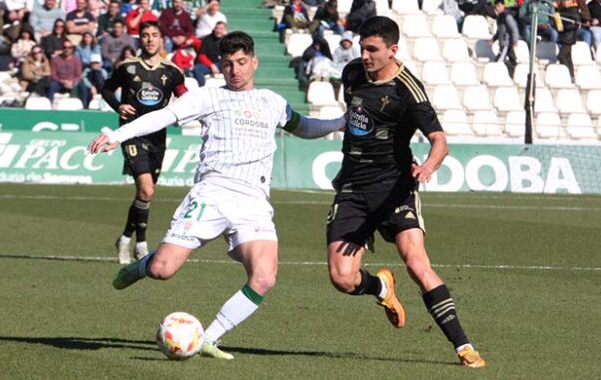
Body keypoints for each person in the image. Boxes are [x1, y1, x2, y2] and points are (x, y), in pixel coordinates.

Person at [88, 30, 344, 360]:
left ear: (254, 62)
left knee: (264, 278)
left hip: (253, 201)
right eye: (227, 64)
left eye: (240, 62)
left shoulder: (273, 102)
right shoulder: (207, 97)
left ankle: (208, 338)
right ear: (220, 67)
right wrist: (117, 135)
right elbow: (162, 116)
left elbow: (304, 127)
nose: (234, 70)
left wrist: (338, 123)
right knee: (162, 269)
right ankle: (141, 267)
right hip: (212, 193)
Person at [325, 16, 486, 368]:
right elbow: (356, 121)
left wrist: (427, 167)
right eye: (362, 46)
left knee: (416, 262)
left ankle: (463, 346)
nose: (364, 55)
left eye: (372, 49)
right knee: (341, 277)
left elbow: (440, 142)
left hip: (395, 186)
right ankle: (380, 289)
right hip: (353, 189)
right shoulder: (352, 74)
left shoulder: (407, 90)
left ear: (392, 50)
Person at [100, 20, 188, 264]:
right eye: (145, 35)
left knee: (145, 194)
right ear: (140, 39)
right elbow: (106, 89)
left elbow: (186, 98)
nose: (150, 39)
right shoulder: (128, 67)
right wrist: (118, 105)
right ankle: (142, 244)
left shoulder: (172, 71)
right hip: (132, 135)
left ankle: (126, 238)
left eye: (154, 35)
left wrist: (182, 112)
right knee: (146, 189)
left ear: (162, 40)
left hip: (158, 137)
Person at [192, 20, 225, 86]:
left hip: (223, 64)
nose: (218, 31)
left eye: (221, 29)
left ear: (224, 30)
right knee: (197, 69)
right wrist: (211, 65)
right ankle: (202, 89)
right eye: (217, 28)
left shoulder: (227, 40)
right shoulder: (207, 39)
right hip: (209, 64)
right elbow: (201, 56)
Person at [492, 0, 519, 77]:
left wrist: (515, 41)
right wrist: (493, 39)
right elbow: (499, 31)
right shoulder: (499, 17)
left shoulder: (507, 16)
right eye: (496, 6)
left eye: (499, 6)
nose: (497, 8)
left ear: (503, 6)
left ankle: (497, 77)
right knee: (511, 61)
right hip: (502, 43)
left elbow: (514, 28)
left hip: (506, 43)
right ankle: (512, 73)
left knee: (498, 61)